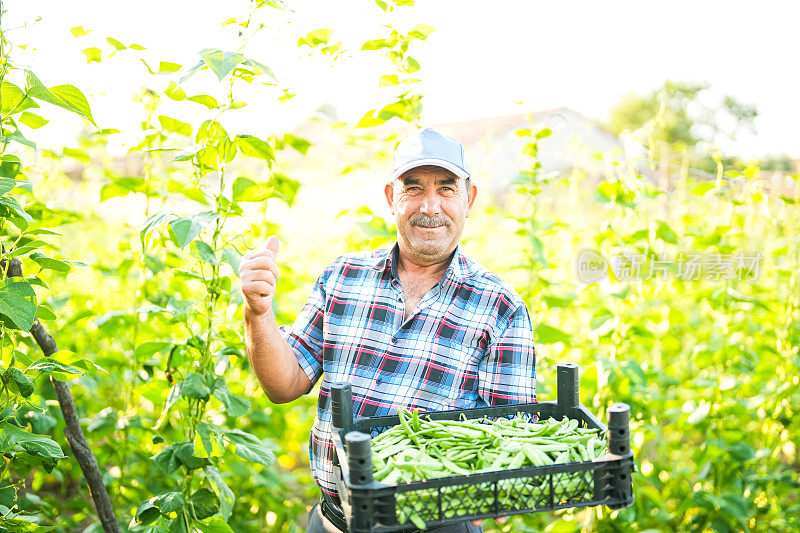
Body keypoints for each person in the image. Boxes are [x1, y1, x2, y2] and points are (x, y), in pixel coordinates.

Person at [239, 127, 537, 532]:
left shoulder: (500, 307)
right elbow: (284, 384)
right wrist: (258, 313)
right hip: (332, 522)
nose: (429, 205)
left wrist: (503, 488)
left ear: (469, 200)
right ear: (389, 198)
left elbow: (512, 439)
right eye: (413, 188)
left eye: (446, 189)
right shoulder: (343, 276)